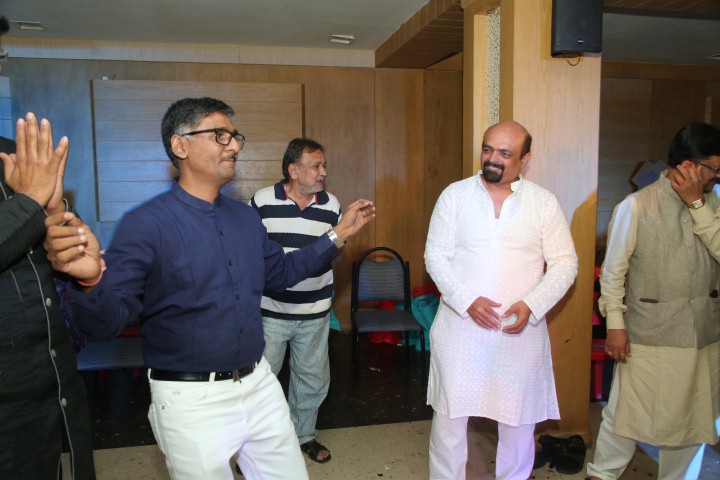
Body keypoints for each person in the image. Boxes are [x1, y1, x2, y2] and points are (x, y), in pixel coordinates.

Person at [43, 97, 374, 480]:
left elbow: (282, 273)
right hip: (190, 400)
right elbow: (106, 322)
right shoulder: (145, 225)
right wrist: (89, 281)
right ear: (180, 145)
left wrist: (337, 234)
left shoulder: (245, 219)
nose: (233, 146)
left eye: (234, 136)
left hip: (259, 384)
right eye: (219, 135)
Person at [424, 120, 578, 480]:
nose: (492, 158)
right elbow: (435, 256)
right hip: (460, 329)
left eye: (505, 153)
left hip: (518, 332)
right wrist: (466, 300)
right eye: (488, 149)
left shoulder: (543, 202)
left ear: (525, 159)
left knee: (518, 424)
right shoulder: (454, 195)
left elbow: (565, 263)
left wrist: (532, 304)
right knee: (449, 424)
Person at [586, 122, 720, 480]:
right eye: (713, 168)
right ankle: (602, 474)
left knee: (694, 417)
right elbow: (612, 273)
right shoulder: (637, 205)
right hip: (649, 332)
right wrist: (615, 326)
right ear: (689, 166)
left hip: (704, 333)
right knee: (626, 413)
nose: (716, 176)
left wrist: (698, 205)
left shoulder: (713, 204)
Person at [0, 113, 95, 479]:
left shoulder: (19, 154)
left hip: (50, 388)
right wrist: (29, 200)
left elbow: (60, 252)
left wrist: (58, 212)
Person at [249, 138, 338, 464]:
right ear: (293, 170)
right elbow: (250, 252)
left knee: (311, 379)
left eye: (323, 165)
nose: (323, 172)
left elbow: (334, 250)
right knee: (261, 382)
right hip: (270, 312)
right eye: (316, 166)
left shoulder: (331, 205)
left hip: (315, 311)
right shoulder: (262, 201)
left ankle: (304, 436)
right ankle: (257, 446)